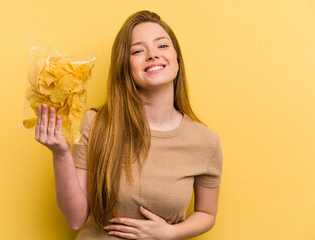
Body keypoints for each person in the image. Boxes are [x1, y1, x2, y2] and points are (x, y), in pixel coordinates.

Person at [35, 10, 223, 240]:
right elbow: (76, 219)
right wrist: (61, 153)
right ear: (126, 67)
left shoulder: (205, 141)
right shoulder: (95, 125)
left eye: (162, 46)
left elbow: (206, 213)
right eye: (138, 51)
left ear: (177, 60)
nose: (153, 55)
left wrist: (171, 232)